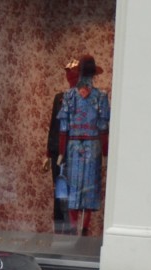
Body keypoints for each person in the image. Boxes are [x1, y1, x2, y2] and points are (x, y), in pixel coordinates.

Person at [55, 55, 110, 236]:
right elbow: (102, 127)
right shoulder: (99, 96)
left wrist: (62, 152)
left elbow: (64, 127)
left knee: (76, 187)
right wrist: (105, 152)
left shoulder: (70, 96)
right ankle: (83, 228)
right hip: (91, 146)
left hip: (74, 147)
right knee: (88, 187)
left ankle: (76, 226)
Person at [45, 58, 79, 234]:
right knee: (59, 194)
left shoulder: (86, 99)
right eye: (68, 73)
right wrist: (48, 152)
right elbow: (53, 126)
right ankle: (59, 231)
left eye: (72, 73)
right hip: (57, 152)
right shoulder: (59, 98)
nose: (70, 76)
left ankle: (72, 231)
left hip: (76, 153)